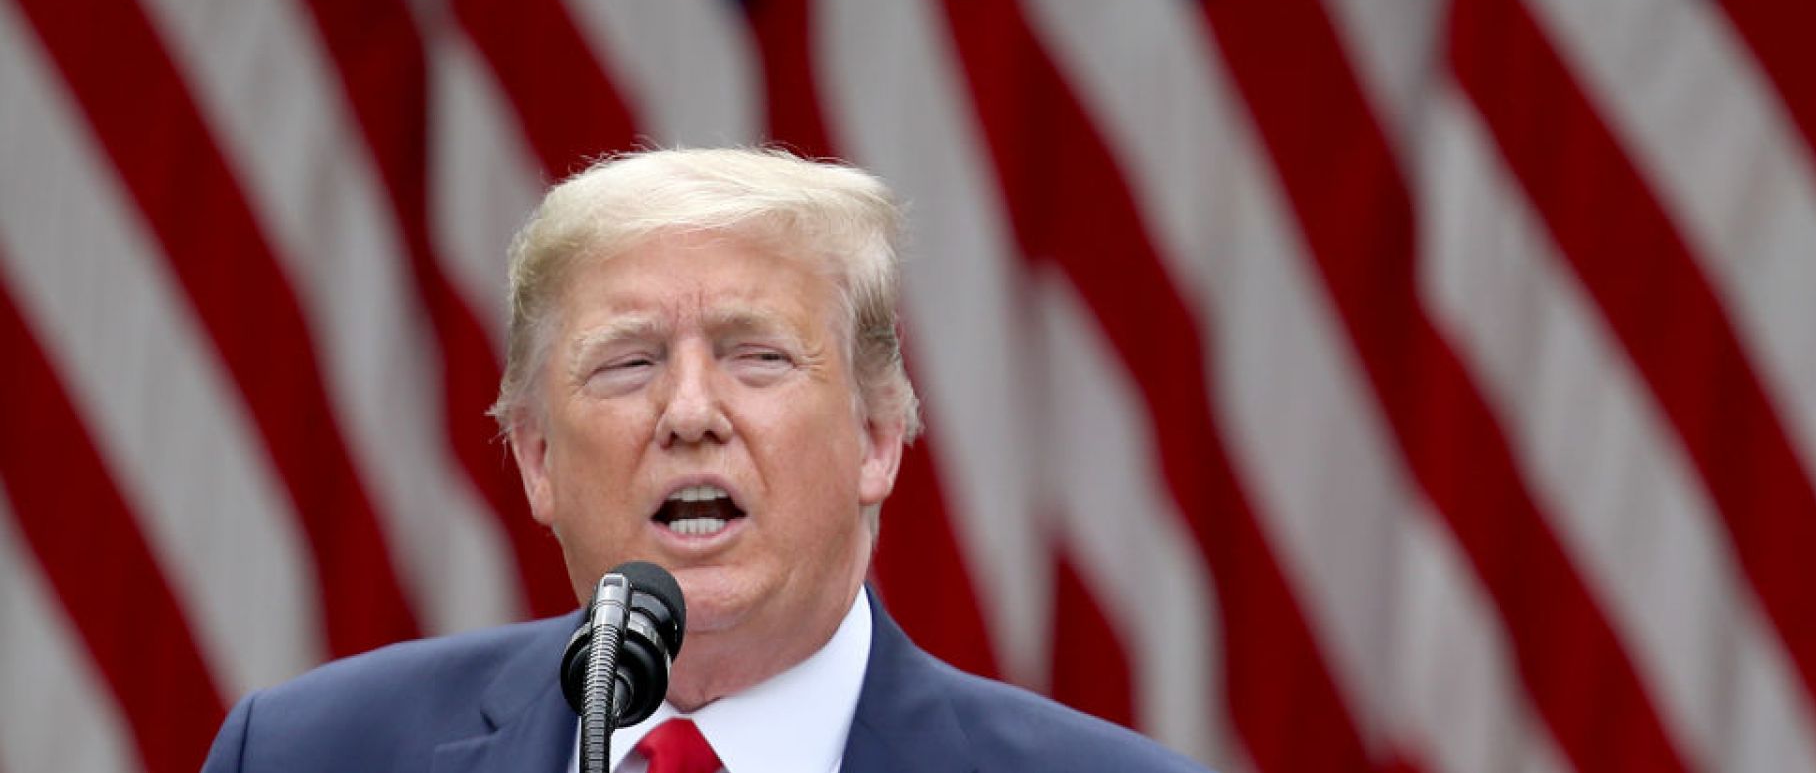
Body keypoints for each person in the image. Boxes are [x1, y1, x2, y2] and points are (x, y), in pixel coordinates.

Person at [201, 148, 1211, 773]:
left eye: (757, 356)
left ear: (876, 438)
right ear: (536, 456)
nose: (689, 412)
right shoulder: (308, 753)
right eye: (630, 361)